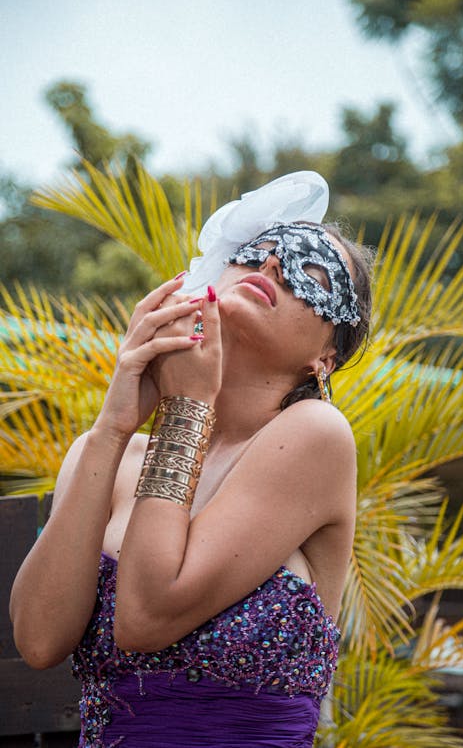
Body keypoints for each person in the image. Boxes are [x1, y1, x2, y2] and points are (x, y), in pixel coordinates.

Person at [10, 171, 372, 748]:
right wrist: (110, 428)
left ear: (325, 358)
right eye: (256, 253)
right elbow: (38, 639)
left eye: (313, 273)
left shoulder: (315, 436)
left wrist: (186, 408)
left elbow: (146, 619)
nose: (273, 268)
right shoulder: (107, 454)